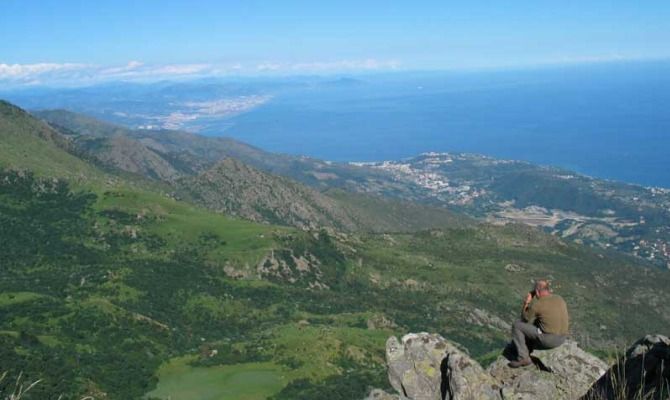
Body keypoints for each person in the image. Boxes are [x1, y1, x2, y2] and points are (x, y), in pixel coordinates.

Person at [508, 279, 569, 368]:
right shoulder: (559, 298)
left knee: (517, 325)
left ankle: (523, 358)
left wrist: (526, 303)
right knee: (539, 321)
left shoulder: (538, 304)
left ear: (536, 291)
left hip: (549, 341)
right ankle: (528, 347)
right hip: (562, 338)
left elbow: (525, 319)